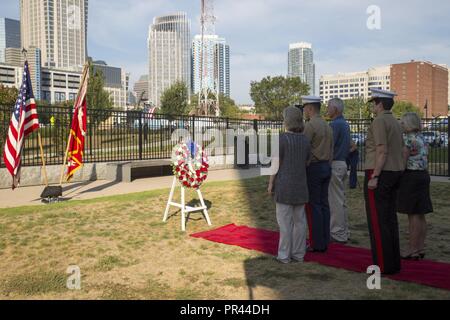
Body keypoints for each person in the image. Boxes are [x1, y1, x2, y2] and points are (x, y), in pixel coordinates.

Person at [364, 88, 405, 275]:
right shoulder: (395, 121)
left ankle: (382, 264)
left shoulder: (380, 121)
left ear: (379, 104)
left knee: (378, 221)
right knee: (389, 219)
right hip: (394, 171)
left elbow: (382, 150)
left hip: (379, 171)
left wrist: (375, 176)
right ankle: (393, 262)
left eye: (373, 103)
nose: (372, 106)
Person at [268, 106, 311, 264]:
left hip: (284, 186)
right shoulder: (306, 140)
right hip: (301, 184)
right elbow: (308, 161)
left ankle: (284, 255)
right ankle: (299, 254)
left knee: (285, 222)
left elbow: (275, 163)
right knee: (300, 222)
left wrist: (271, 184)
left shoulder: (282, 138)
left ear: (287, 120)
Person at [397, 112, 433, 260]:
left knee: (412, 215)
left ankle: (412, 249)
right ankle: (420, 247)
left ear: (409, 124)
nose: (401, 125)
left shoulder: (407, 139)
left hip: (411, 177)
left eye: (403, 123)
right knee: (421, 214)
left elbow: (403, 161)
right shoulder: (422, 138)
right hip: (424, 176)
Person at [303, 96, 334, 253]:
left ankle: (316, 243)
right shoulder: (327, 125)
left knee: (314, 206)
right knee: (324, 204)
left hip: (314, 168)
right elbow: (331, 149)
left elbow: (305, 149)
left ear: (310, 108)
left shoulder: (310, 125)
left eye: (305, 108)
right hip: (326, 167)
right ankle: (324, 238)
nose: (304, 111)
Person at [327, 98, 351, 244]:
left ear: (335, 109)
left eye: (329, 107)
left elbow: (330, 146)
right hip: (342, 163)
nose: (327, 110)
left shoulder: (335, 125)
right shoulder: (345, 124)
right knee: (341, 201)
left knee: (335, 201)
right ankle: (343, 231)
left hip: (335, 164)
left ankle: (337, 233)